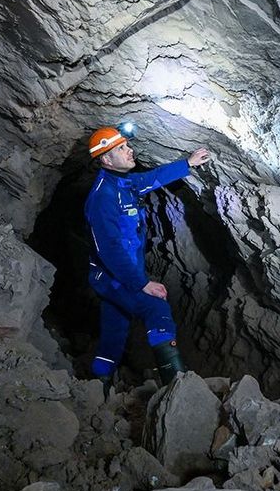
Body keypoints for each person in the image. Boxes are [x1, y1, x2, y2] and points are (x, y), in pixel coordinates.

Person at [84, 125, 211, 389]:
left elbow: (153, 178)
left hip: (122, 274)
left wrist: (187, 163)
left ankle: (97, 384)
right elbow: (110, 250)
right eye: (121, 148)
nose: (129, 150)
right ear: (106, 159)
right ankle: (177, 386)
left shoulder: (124, 183)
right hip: (111, 276)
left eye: (126, 145)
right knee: (156, 308)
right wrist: (142, 283)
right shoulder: (102, 198)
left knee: (114, 330)